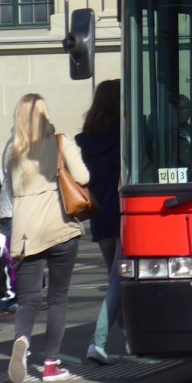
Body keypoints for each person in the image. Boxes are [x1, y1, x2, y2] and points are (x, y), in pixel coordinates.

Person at [2, 94, 90, 383]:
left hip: (26, 233)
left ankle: (23, 340)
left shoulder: (11, 151)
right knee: (58, 298)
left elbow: (9, 191)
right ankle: (51, 364)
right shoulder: (60, 142)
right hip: (59, 227)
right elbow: (83, 176)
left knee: (28, 299)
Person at [75, 80, 122, 364]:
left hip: (99, 215)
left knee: (116, 277)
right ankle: (99, 341)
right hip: (123, 212)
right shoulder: (126, 136)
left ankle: (129, 333)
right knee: (119, 279)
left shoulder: (84, 140)